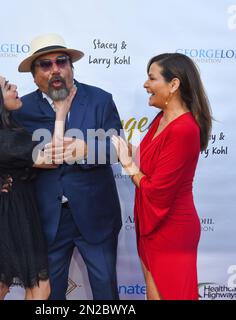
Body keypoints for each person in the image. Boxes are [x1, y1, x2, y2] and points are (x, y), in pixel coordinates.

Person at [12, 33, 122, 300]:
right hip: (46, 220)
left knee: (106, 290)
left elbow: (118, 149)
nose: (55, 69)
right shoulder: (20, 109)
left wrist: (86, 149)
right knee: (50, 296)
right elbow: (5, 155)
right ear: (34, 74)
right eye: (45, 65)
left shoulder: (99, 99)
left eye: (61, 62)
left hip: (96, 216)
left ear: (71, 67)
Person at [0, 70, 75, 300]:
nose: (13, 88)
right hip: (14, 215)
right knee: (39, 288)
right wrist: (61, 112)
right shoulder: (3, 138)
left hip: (7, 209)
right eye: (6, 86)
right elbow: (54, 158)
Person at [112, 53, 212, 300]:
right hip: (152, 224)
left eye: (151, 78)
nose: (146, 84)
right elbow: (151, 159)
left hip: (172, 229)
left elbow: (157, 190)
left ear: (174, 84)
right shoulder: (161, 119)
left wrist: (127, 163)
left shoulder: (184, 129)